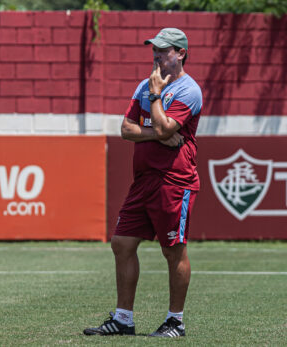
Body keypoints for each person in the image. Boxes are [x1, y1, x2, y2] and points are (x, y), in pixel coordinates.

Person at [84, 28, 202, 338]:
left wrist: (154, 98)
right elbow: (126, 129)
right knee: (121, 243)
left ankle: (175, 322)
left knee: (173, 250)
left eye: (164, 50)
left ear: (181, 54)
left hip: (174, 181)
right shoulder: (144, 85)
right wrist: (159, 135)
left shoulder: (188, 90)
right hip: (144, 181)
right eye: (155, 49)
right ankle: (123, 319)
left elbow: (165, 125)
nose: (157, 55)